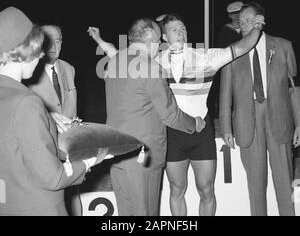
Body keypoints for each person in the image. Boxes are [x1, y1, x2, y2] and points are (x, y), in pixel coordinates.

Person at [88, 12, 264, 216]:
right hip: (172, 132)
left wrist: (256, 29)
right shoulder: (155, 61)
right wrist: (100, 40)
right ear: (162, 38)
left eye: (183, 29)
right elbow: (118, 55)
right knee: (176, 190)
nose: (180, 32)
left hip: (200, 132)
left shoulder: (207, 57)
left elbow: (240, 48)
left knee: (206, 189)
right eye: (174, 29)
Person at [95, 18, 205, 216]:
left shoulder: (114, 62)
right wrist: (195, 123)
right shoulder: (151, 67)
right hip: (143, 155)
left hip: (117, 153)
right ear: (151, 43)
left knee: (126, 214)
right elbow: (170, 115)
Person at [0, 7, 100, 216]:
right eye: (37, 48)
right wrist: (93, 159)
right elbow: (53, 178)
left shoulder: (10, 96)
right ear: (23, 50)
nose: (42, 54)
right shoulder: (26, 102)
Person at [219, 2, 300, 216]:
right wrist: (226, 127)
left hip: (280, 120)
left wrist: (299, 122)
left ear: (260, 22)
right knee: (256, 186)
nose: (244, 25)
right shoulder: (232, 52)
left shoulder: (283, 46)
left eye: (249, 20)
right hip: (248, 122)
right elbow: (225, 93)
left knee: (284, 182)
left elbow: (293, 89)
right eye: (241, 21)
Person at [27, 25, 81, 216]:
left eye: (57, 40)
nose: (53, 45)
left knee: (74, 195)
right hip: (45, 148)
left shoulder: (68, 68)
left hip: (70, 146)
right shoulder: (29, 72)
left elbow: (70, 105)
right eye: (48, 40)